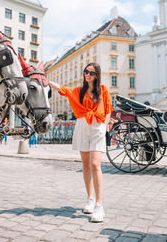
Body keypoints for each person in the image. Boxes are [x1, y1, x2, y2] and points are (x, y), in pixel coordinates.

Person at [49, 62, 113, 222]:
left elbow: (109, 110)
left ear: (97, 75)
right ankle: (90, 199)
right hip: (82, 126)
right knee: (85, 165)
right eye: (86, 72)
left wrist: (104, 128)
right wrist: (45, 79)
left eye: (91, 73)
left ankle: (99, 205)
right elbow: (62, 89)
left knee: (95, 165)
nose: (88, 75)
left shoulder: (103, 90)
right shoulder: (78, 91)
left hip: (97, 127)